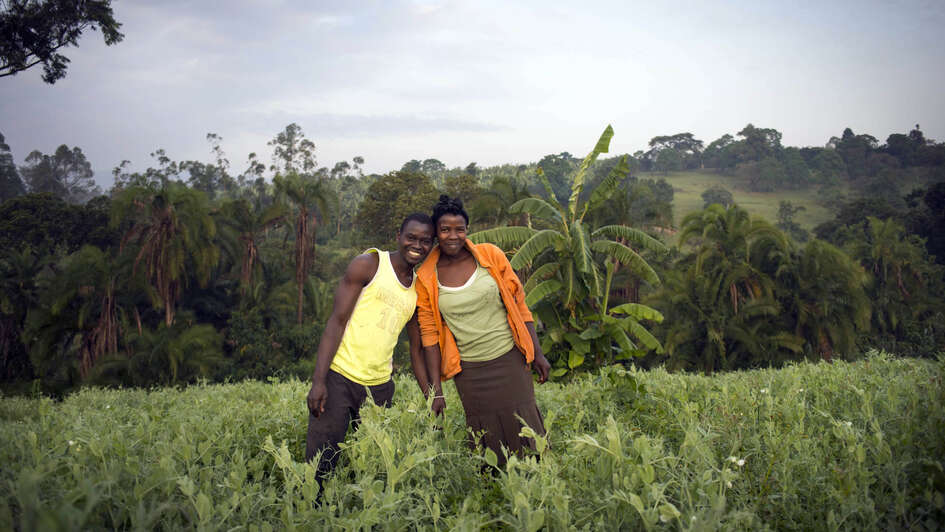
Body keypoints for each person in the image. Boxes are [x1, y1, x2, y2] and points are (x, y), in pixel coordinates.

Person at [415, 195, 551, 466]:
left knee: (525, 425)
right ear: (436, 233)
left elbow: (519, 303)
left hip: (510, 358)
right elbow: (429, 337)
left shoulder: (490, 255)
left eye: (459, 229)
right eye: (445, 230)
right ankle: (494, 495)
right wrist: (437, 390)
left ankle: (537, 486)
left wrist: (537, 353)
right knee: (485, 434)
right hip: (469, 371)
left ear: (467, 230)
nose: (453, 236)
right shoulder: (426, 276)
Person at [305, 213, 435, 480]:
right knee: (320, 466)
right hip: (340, 378)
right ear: (398, 236)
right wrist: (319, 381)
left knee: (368, 470)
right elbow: (336, 322)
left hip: (379, 388)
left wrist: (431, 397)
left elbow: (416, 349)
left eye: (425, 241)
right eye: (411, 237)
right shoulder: (369, 265)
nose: (417, 245)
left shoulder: (418, 288)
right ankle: (312, 516)